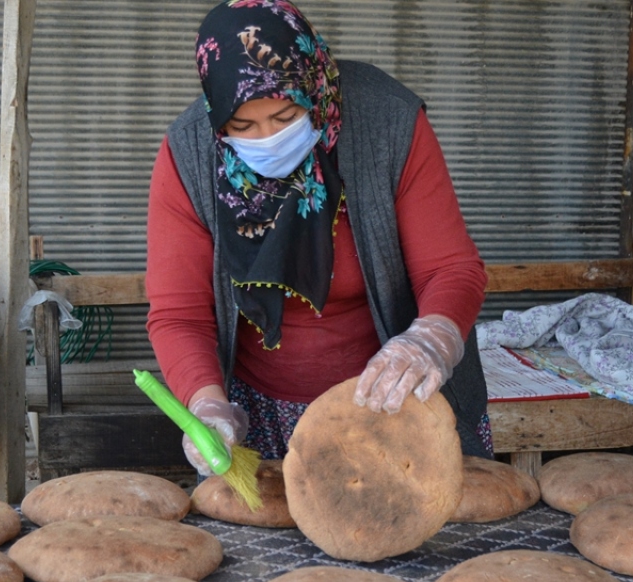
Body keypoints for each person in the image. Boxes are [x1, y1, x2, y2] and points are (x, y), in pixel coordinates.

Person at [146, 0, 492, 477]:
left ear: (315, 89)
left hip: (399, 400)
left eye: (286, 117)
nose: (267, 138)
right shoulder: (190, 152)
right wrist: (207, 404)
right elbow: (179, 313)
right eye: (242, 127)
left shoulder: (387, 122)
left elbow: (450, 268)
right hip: (262, 414)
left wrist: (428, 341)